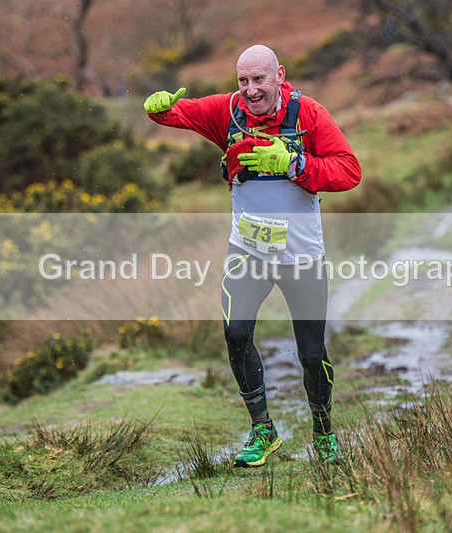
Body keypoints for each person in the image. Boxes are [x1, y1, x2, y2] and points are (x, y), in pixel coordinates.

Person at [144, 44, 361, 467]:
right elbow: (178, 112)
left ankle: (324, 431)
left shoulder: (309, 115)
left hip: (301, 254)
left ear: (279, 75)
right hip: (249, 251)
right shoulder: (227, 111)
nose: (250, 89)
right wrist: (156, 109)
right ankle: (263, 430)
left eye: (259, 79)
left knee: (312, 354)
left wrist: (296, 164)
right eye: (243, 80)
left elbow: (349, 170)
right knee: (235, 333)